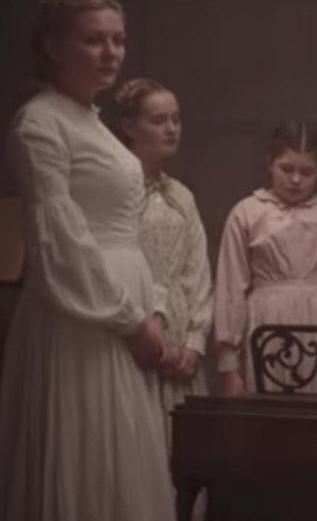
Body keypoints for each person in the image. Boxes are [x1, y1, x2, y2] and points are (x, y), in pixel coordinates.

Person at [0, 0, 175, 521]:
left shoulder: (88, 118)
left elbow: (126, 228)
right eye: (94, 40)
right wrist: (130, 321)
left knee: (122, 460)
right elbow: (61, 241)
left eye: (118, 40)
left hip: (118, 307)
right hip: (81, 315)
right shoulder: (40, 123)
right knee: (89, 459)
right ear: (53, 46)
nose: (111, 52)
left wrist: (151, 307)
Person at [213, 121, 317, 396]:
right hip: (266, 322)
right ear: (269, 164)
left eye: (307, 172)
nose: (296, 180)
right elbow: (231, 289)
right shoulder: (247, 213)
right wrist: (229, 364)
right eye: (286, 169)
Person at [112, 77, 213, 448]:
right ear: (129, 126)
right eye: (158, 120)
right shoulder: (116, 193)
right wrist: (144, 331)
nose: (171, 129)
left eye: (176, 119)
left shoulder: (181, 196)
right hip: (134, 340)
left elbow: (197, 272)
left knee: (181, 450)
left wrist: (194, 343)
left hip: (181, 346)